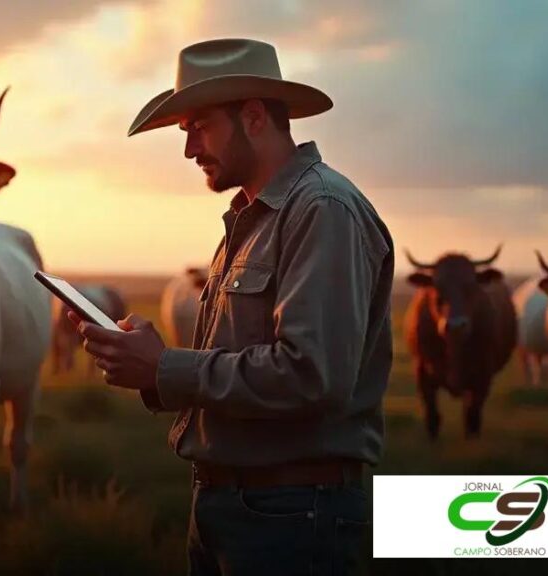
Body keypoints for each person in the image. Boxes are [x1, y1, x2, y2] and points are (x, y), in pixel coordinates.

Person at [70, 38, 395, 575]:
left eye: (199, 126)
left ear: (253, 117)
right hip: (237, 507)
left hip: (291, 516)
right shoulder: (252, 218)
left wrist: (162, 365)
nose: (189, 149)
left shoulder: (322, 209)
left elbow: (312, 375)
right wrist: (146, 369)